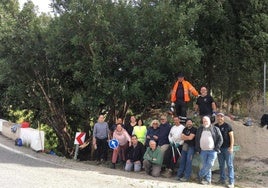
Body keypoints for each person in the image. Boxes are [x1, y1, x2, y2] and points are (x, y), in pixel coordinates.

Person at [195, 116, 223, 185]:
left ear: (209, 121)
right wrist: (198, 149)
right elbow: (197, 139)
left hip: (212, 151)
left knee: (210, 164)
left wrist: (216, 148)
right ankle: (208, 180)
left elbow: (220, 139)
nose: (205, 122)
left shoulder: (215, 128)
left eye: (206, 121)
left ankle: (200, 175)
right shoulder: (200, 129)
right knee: (206, 166)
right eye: (204, 121)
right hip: (203, 151)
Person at [215, 113, 235, 188]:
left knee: (229, 165)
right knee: (221, 165)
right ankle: (222, 179)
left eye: (221, 117)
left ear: (223, 118)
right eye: (218, 117)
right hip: (219, 149)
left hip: (227, 148)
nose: (219, 118)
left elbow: (232, 137)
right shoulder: (215, 126)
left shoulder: (228, 126)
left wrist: (231, 147)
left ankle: (231, 182)